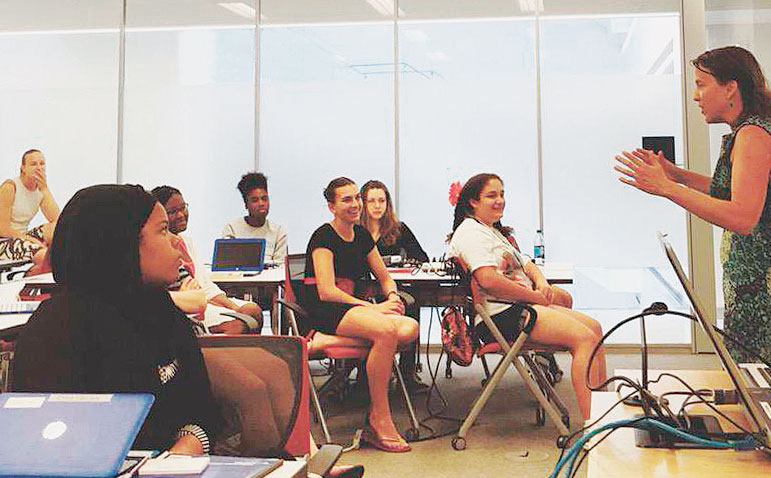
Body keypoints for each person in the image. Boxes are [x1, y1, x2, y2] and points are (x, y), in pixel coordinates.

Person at [12, 184, 221, 454]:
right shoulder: (56, 330)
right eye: (162, 230)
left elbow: (202, 409)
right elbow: (50, 448)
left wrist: (183, 450)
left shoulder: (160, 309)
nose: (175, 241)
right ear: (121, 242)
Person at [614, 46, 771, 362]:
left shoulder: (753, 134)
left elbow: (743, 216)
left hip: (761, 294)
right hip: (751, 289)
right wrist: (675, 175)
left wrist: (667, 187)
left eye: (701, 84)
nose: (696, 95)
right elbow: (725, 192)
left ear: (730, 87)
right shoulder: (747, 131)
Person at [447, 173, 606, 419]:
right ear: (472, 202)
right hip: (502, 315)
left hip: (518, 307)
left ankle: (602, 413)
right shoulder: (470, 232)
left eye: (502, 194)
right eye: (492, 196)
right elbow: (488, 280)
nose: (500, 200)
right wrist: (533, 297)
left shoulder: (491, 231)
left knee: (594, 329)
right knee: (585, 339)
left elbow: (527, 263)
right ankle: (594, 424)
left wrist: (541, 282)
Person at [302, 177, 419, 453]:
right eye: (347, 199)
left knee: (409, 328)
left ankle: (324, 342)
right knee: (387, 332)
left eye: (356, 198)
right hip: (327, 309)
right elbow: (327, 291)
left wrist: (391, 296)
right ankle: (379, 418)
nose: (355, 204)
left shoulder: (362, 235)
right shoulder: (324, 236)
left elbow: (385, 277)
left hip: (354, 309)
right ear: (332, 206)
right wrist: (373, 308)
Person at [151, 185, 263, 335]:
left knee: (253, 310)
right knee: (239, 324)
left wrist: (232, 306)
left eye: (183, 208)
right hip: (189, 307)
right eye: (172, 212)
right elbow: (186, 296)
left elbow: (205, 285)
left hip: (201, 299)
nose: (180, 215)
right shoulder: (159, 250)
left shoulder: (187, 242)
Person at [360, 180, 428, 390]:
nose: (377, 205)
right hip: (364, 291)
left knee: (411, 304)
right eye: (371, 201)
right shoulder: (354, 231)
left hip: (394, 288)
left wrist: (405, 263)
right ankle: (362, 375)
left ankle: (407, 374)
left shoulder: (398, 229)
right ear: (362, 204)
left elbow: (422, 258)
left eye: (382, 200)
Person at [0, 149, 59, 263]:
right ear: (23, 168)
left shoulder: (40, 190)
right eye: (33, 164)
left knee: (56, 228)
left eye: (42, 163)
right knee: (43, 254)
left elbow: (58, 221)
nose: (39, 167)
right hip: (4, 241)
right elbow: (3, 229)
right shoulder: (10, 187)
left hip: (22, 236)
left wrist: (45, 189)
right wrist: (33, 241)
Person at [222, 172, 288, 264]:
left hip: (271, 278)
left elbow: (280, 267)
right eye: (255, 200)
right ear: (246, 204)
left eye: (264, 199)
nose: (261, 204)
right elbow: (227, 265)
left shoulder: (278, 232)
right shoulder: (232, 229)